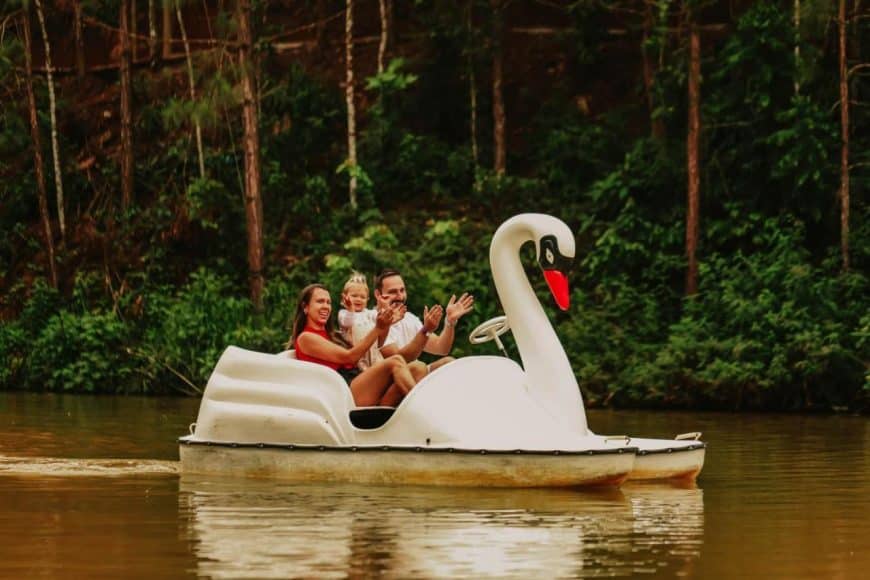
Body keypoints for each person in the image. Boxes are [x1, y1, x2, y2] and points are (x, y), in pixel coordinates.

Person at [290, 283, 429, 407]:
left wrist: (386, 325)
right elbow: (350, 357)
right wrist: (378, 328)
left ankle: (383, 413)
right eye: (320, 301)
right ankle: (424, 409)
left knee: (418, 368)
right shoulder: (306, 338)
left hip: (358, 382)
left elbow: (368, 346)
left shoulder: (333, 335)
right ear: (305, 307)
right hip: (343, 391)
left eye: (328, 302)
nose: (326, 306)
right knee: (396, 361)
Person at [374, 269, 475, 371]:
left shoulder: (409, 318)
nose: (400, 297)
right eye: (393, 292)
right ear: (378, 295)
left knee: (449, 363)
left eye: (402, 290)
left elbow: (441, 348)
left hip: (414, 373)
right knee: (418, 367)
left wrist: (450, 322)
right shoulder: (373, 319)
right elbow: (399, 360)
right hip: (391, 380)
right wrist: (425, 330)